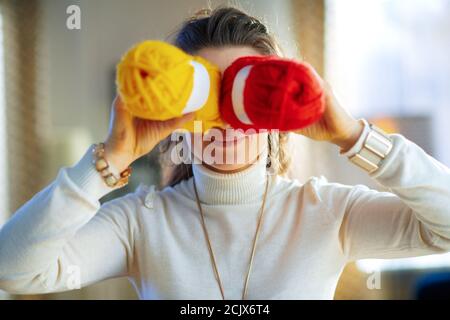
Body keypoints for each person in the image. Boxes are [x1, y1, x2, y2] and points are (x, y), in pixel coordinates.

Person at [0, 6, 449, 300]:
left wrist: (352, 135)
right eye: (206, 99)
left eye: (245, 95)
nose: (228, 121)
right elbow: (14, 270)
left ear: (275, 111)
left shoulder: (328, 210)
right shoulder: (142, 221)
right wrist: (111, 159)